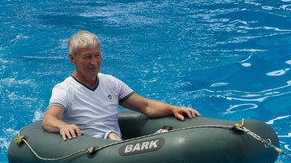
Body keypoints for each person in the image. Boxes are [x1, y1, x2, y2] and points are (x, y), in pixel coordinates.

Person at [42, 31, 199, 141]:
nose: (94, 62)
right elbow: (49, 119)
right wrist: (62, 126)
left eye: (97, 55)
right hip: (91, 148)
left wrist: (173, 109)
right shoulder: (65, 89)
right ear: (72, 59)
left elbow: (146, 106)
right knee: (111, 135)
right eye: (87, 57)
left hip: (117, 146)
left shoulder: (111, 82)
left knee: (166, 134)